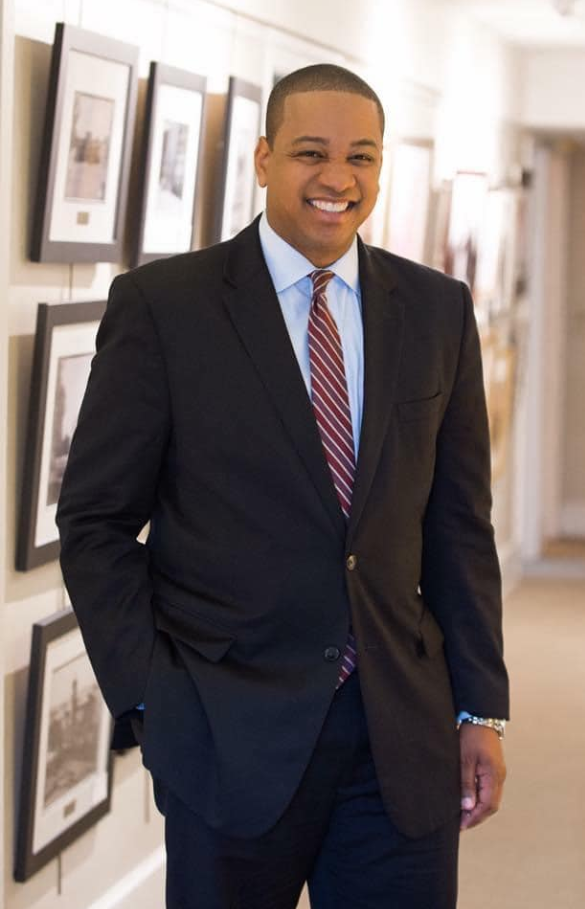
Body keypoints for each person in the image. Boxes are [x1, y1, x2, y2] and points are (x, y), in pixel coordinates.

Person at [57, 63, 508, 909]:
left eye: (361, 158)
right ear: (263, 159)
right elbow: (94, 521)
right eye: (311, 152)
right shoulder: (166, 306)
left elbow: (459, 525)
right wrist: (153, 697)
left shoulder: (435, 310)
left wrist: (478, 706)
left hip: (398, 735)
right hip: (225, 733)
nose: (337, 178)